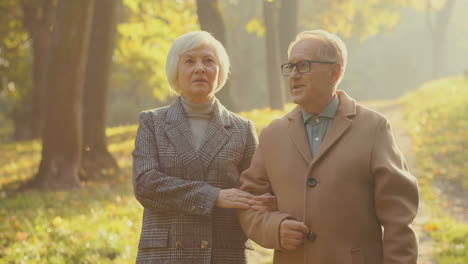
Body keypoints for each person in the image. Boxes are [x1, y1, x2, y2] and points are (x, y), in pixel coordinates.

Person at [238, 29, 419, 264]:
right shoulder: (273, 134)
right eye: (290, 67)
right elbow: (250, 203)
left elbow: (398, 217)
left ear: (335, 72)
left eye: (303, 65)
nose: (293, 75)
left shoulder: (373, 127)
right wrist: (275, 228)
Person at [132, 31, 275, 263]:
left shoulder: (242, 128)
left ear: (219, 71)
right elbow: (145, 185)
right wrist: (213, 196)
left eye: (209, 61)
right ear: (176, 72)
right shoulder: (152, 122)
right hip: (165, 254)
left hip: (224, 253)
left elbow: (255, 192)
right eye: (190, 61)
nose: (200, 68)